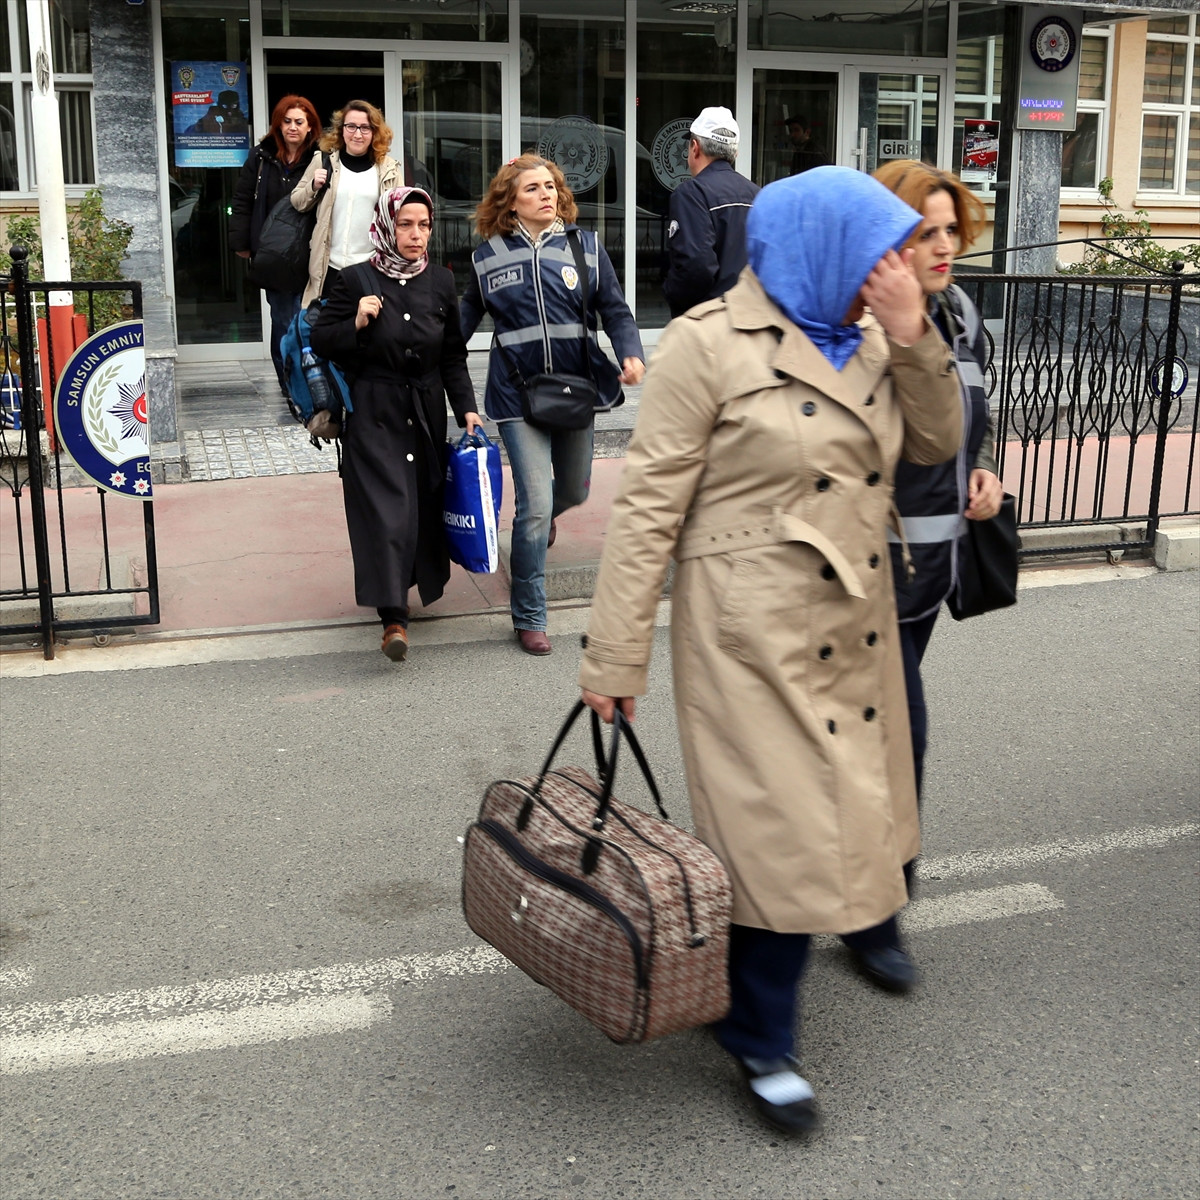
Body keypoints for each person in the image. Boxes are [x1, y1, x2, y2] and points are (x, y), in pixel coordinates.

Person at [578, 166, 963, 1135]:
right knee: (778, 828)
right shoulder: (708, 343)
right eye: (878, 253)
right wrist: (615, 657)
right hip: (748, 633)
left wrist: (915, 336)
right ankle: (759, 1036)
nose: (892, 271)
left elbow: (935, 444)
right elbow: (648, 509)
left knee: (848, 807)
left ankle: (845, 942)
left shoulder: (878, 335)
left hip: (854, 617)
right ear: (818, 247)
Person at [836, 160, 1004, 991]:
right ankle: (874, 917)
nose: (944, 247)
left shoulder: (960, 314)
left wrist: (985, 467)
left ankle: (841, 888)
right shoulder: (855, 324)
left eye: (950, 231)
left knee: (868, 744)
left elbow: (972, 413)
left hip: (931, 573)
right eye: (923, 233)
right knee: (901, 740)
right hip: (866, 580)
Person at [460, 154, 645, 657]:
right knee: (536, 505)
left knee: (574, 489)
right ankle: (529, 615)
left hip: (573, 389)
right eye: (533, 189)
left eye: (550, 187)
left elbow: (615, 310)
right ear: (510, 203)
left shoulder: (586, 247)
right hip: (515, 394)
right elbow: (460, 326)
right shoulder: (488, 257)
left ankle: (540, 520)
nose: (546, 195)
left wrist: (630, 352)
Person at [309, 187, 481, 663]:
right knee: (386, 510)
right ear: (387, 226)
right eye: (405, 224)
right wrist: (356, 323)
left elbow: (452, 355)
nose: (416, 234)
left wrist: (466, 407)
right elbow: (322, 340)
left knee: (419, 504)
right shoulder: (354, 279)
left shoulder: (441, 281)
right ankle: (393, 618)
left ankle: (405, 590)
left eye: (423, 225)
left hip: (424, 410)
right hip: (374, 410)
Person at [230, 94, 322, 400]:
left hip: (310, 252)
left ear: (310, 127)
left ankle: (313, 381)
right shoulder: (261, 157)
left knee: (308, 318)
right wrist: (242, 243)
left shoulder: (322, 158)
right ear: (278, 125)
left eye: (299, 122)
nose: (292, 127)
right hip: (273, 254)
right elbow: (243, 200)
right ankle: (289, 384)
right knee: (283, 319)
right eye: (287, 121)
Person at [292, 100, 402, 306]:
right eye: (351, 126)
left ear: (374, 132)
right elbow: (297, 201)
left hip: (371, 269)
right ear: (341, 130)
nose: (357, 134)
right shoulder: (324, 161)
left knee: (368, 324)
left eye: (365, 128)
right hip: (328, 268)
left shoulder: (389, 170)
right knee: (328, 324)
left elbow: (401, 219)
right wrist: (313, 186)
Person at [662, 106, 760, 319]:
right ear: (735, 153)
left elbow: (695, 267)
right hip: (752, 319)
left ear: (695, 148)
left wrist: (671, 293)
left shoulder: (692, 193)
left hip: (709, 321)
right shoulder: (758, 194)